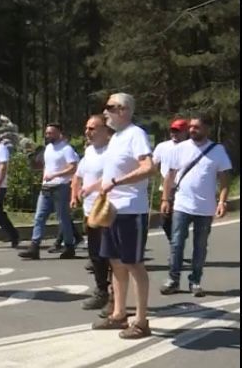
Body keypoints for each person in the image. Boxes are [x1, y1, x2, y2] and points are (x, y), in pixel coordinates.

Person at [92, 92, 155, 339]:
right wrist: (95, 187)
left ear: (123, 110)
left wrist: (117, 182)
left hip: (130, 210)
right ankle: (119, 314)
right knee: (115, 262)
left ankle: (141, 321)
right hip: (112, 209)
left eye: (109, 107)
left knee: (133, 264)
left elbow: (148, 167)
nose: (105, 112)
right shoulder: (116, 137)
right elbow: (111, 172)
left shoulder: (135, 134)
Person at [159, 116, 232, 297]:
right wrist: (165, 199)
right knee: (176, 243)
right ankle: (173, 280)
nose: (192, 130)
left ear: (207, 129)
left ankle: (195, 281)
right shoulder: (180, 148)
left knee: (200, 246)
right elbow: (170, 176)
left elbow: (224, 179)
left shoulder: (217, 150)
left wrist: (222, 202)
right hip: (182, 205)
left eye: (197, 127)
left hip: (205, 207)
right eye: (191, 127)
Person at [71, 114, 113, 310]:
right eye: (87, 128)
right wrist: (74, 193)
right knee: (95, 254)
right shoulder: (88, 151)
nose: (87, 132)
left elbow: (113, 177)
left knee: (110, 255)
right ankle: (101, 290)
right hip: (90, 211)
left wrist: (91, 188)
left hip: (107, 210)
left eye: (92, 128)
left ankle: (114, 295)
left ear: (105, 130)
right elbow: (78, 175)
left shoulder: (111, 152)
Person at [19, 124, 79, 260]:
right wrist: (44, 180)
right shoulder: (48, 148)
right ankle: (34, 247)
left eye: (51, 133)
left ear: (59, 133)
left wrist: (56, 175)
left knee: (63, 218)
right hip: (46, 187)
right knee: (39, 216)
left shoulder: (66, 149)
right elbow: (46, 166)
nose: (48, 136)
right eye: (46, 133)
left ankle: (69, 246)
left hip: (61, 187)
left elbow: (73, 167)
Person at [152, 118, 190, 241]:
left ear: (186, 132)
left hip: (183, 190)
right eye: (173, 131)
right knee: (165, 220)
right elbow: (153, 164)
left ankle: (177, 242)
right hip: (166, 188)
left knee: (180, 219)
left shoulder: (191, 147)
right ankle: (175, 242)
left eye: (178, 131)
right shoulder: (162, 146)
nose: (174, 133)